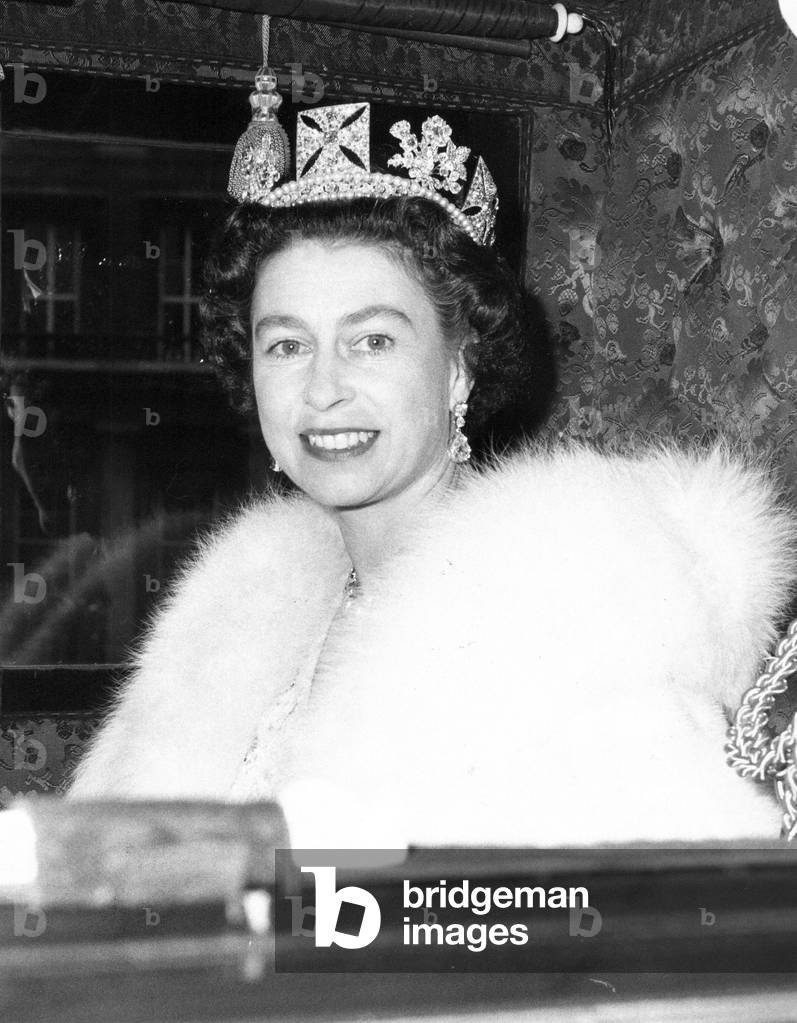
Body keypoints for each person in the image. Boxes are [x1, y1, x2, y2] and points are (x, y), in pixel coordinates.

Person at [68, 101, 796, 846]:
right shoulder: (239, 619)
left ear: (459, 367)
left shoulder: (571, 625)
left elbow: (698, 927)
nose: (322, 389)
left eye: (373, 340)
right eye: (286, 345)